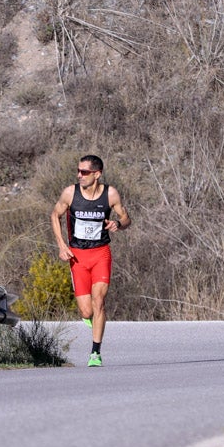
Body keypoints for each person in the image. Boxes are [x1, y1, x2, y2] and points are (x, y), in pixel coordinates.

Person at [50, 154, 131, 367]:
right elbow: (54, 215)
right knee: (86, 311)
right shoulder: (70, 193)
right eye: (78, 171)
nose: (79, 175)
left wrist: (118, 225)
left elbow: (125, 218)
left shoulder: (110, 194)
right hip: (77, 256)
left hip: (100, 254)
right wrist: (61, 245)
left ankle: (95, 352)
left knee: (99, 302)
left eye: (84, 172)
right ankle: (93, 319)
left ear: (97, 174)